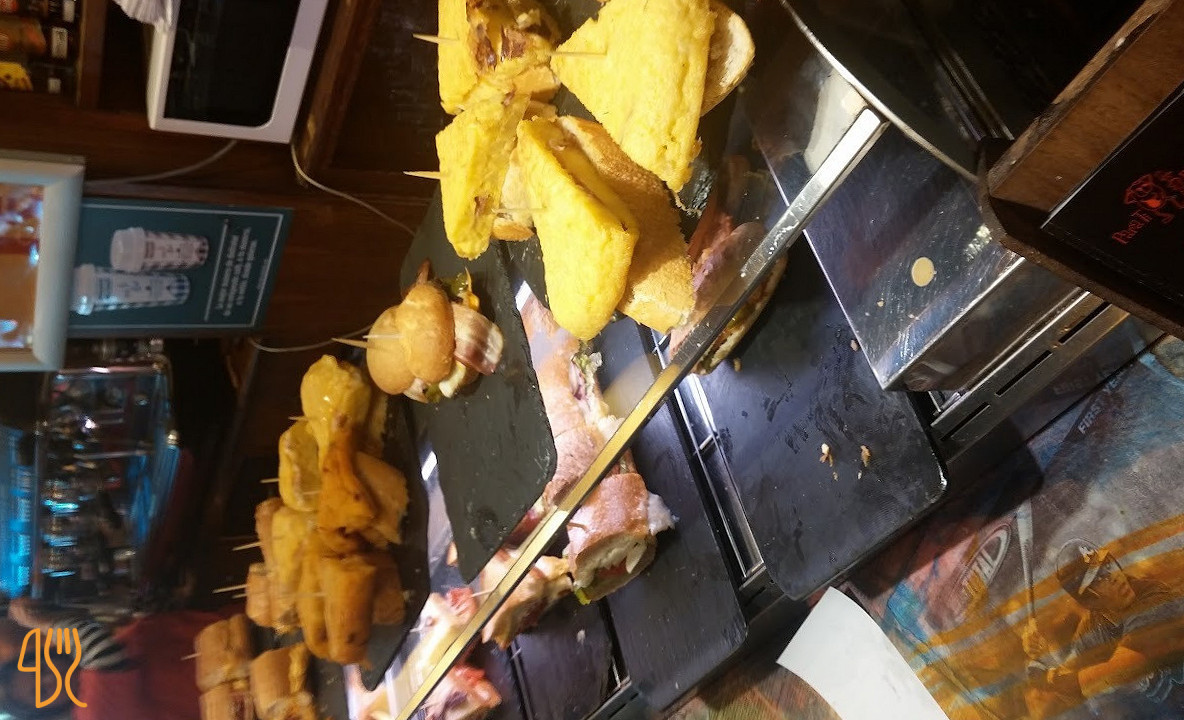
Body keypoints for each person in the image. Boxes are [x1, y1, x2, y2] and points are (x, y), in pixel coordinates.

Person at [1022, 539, 1184, 718]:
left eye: (1107, 565)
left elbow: (1118, 672)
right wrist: (1040, 655)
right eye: (1099, 578)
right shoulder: (1093, 628)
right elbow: (1072, 689)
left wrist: (1050, 678)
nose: (1113, 576)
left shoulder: (1155, 599)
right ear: (1088, 600)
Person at [0, 596, 225, 720]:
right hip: (236, 687)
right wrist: (40, 622)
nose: (52, 679)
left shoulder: (84, 665)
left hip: (227, 633)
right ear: (46, 710)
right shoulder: (93, 712)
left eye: (42, 671)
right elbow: (99, 650)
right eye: (42, 692)